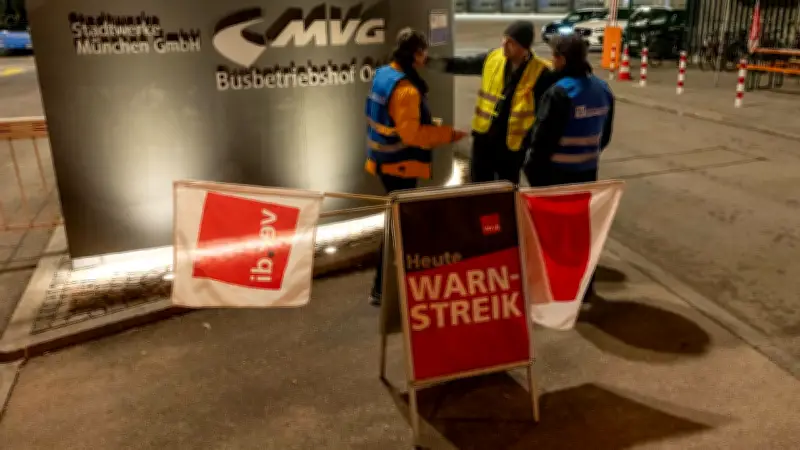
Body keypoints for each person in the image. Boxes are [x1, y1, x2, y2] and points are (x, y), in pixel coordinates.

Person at [365, 27, 468, 306]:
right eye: (424, 53)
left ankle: (389, 286)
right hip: (401, 165)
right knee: (400, 228)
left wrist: (430, 128)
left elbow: (399, 122)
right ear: (416, 54)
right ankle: (384, 288)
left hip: (384, 162)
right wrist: (447, 134)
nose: (426, 58)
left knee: (399, 225)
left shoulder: (385, 74)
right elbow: (411, 135)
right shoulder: (407, 89)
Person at [523, 34, 615, 301]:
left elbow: (541, 142)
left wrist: (533, 177)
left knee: (553, 237)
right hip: (587, 174)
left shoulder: (560, 93)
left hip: (554, 177)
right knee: (580, 235)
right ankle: (584, 289)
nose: (552, 61)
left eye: (554, 56)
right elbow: (605, 137)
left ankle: (557, 290)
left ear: (562, 59)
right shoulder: (603, 89)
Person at [428, 20, 556, 184]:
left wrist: (529, 145)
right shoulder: (493, 58)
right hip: (484, 139)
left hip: (511, 146)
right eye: (504, 39)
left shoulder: (541, 73)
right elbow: (463, 64)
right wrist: (429, 62)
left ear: (524, 48)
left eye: (511, 43)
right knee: (479, 187)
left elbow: (543, 115)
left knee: (506, 190)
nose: (504, 45)